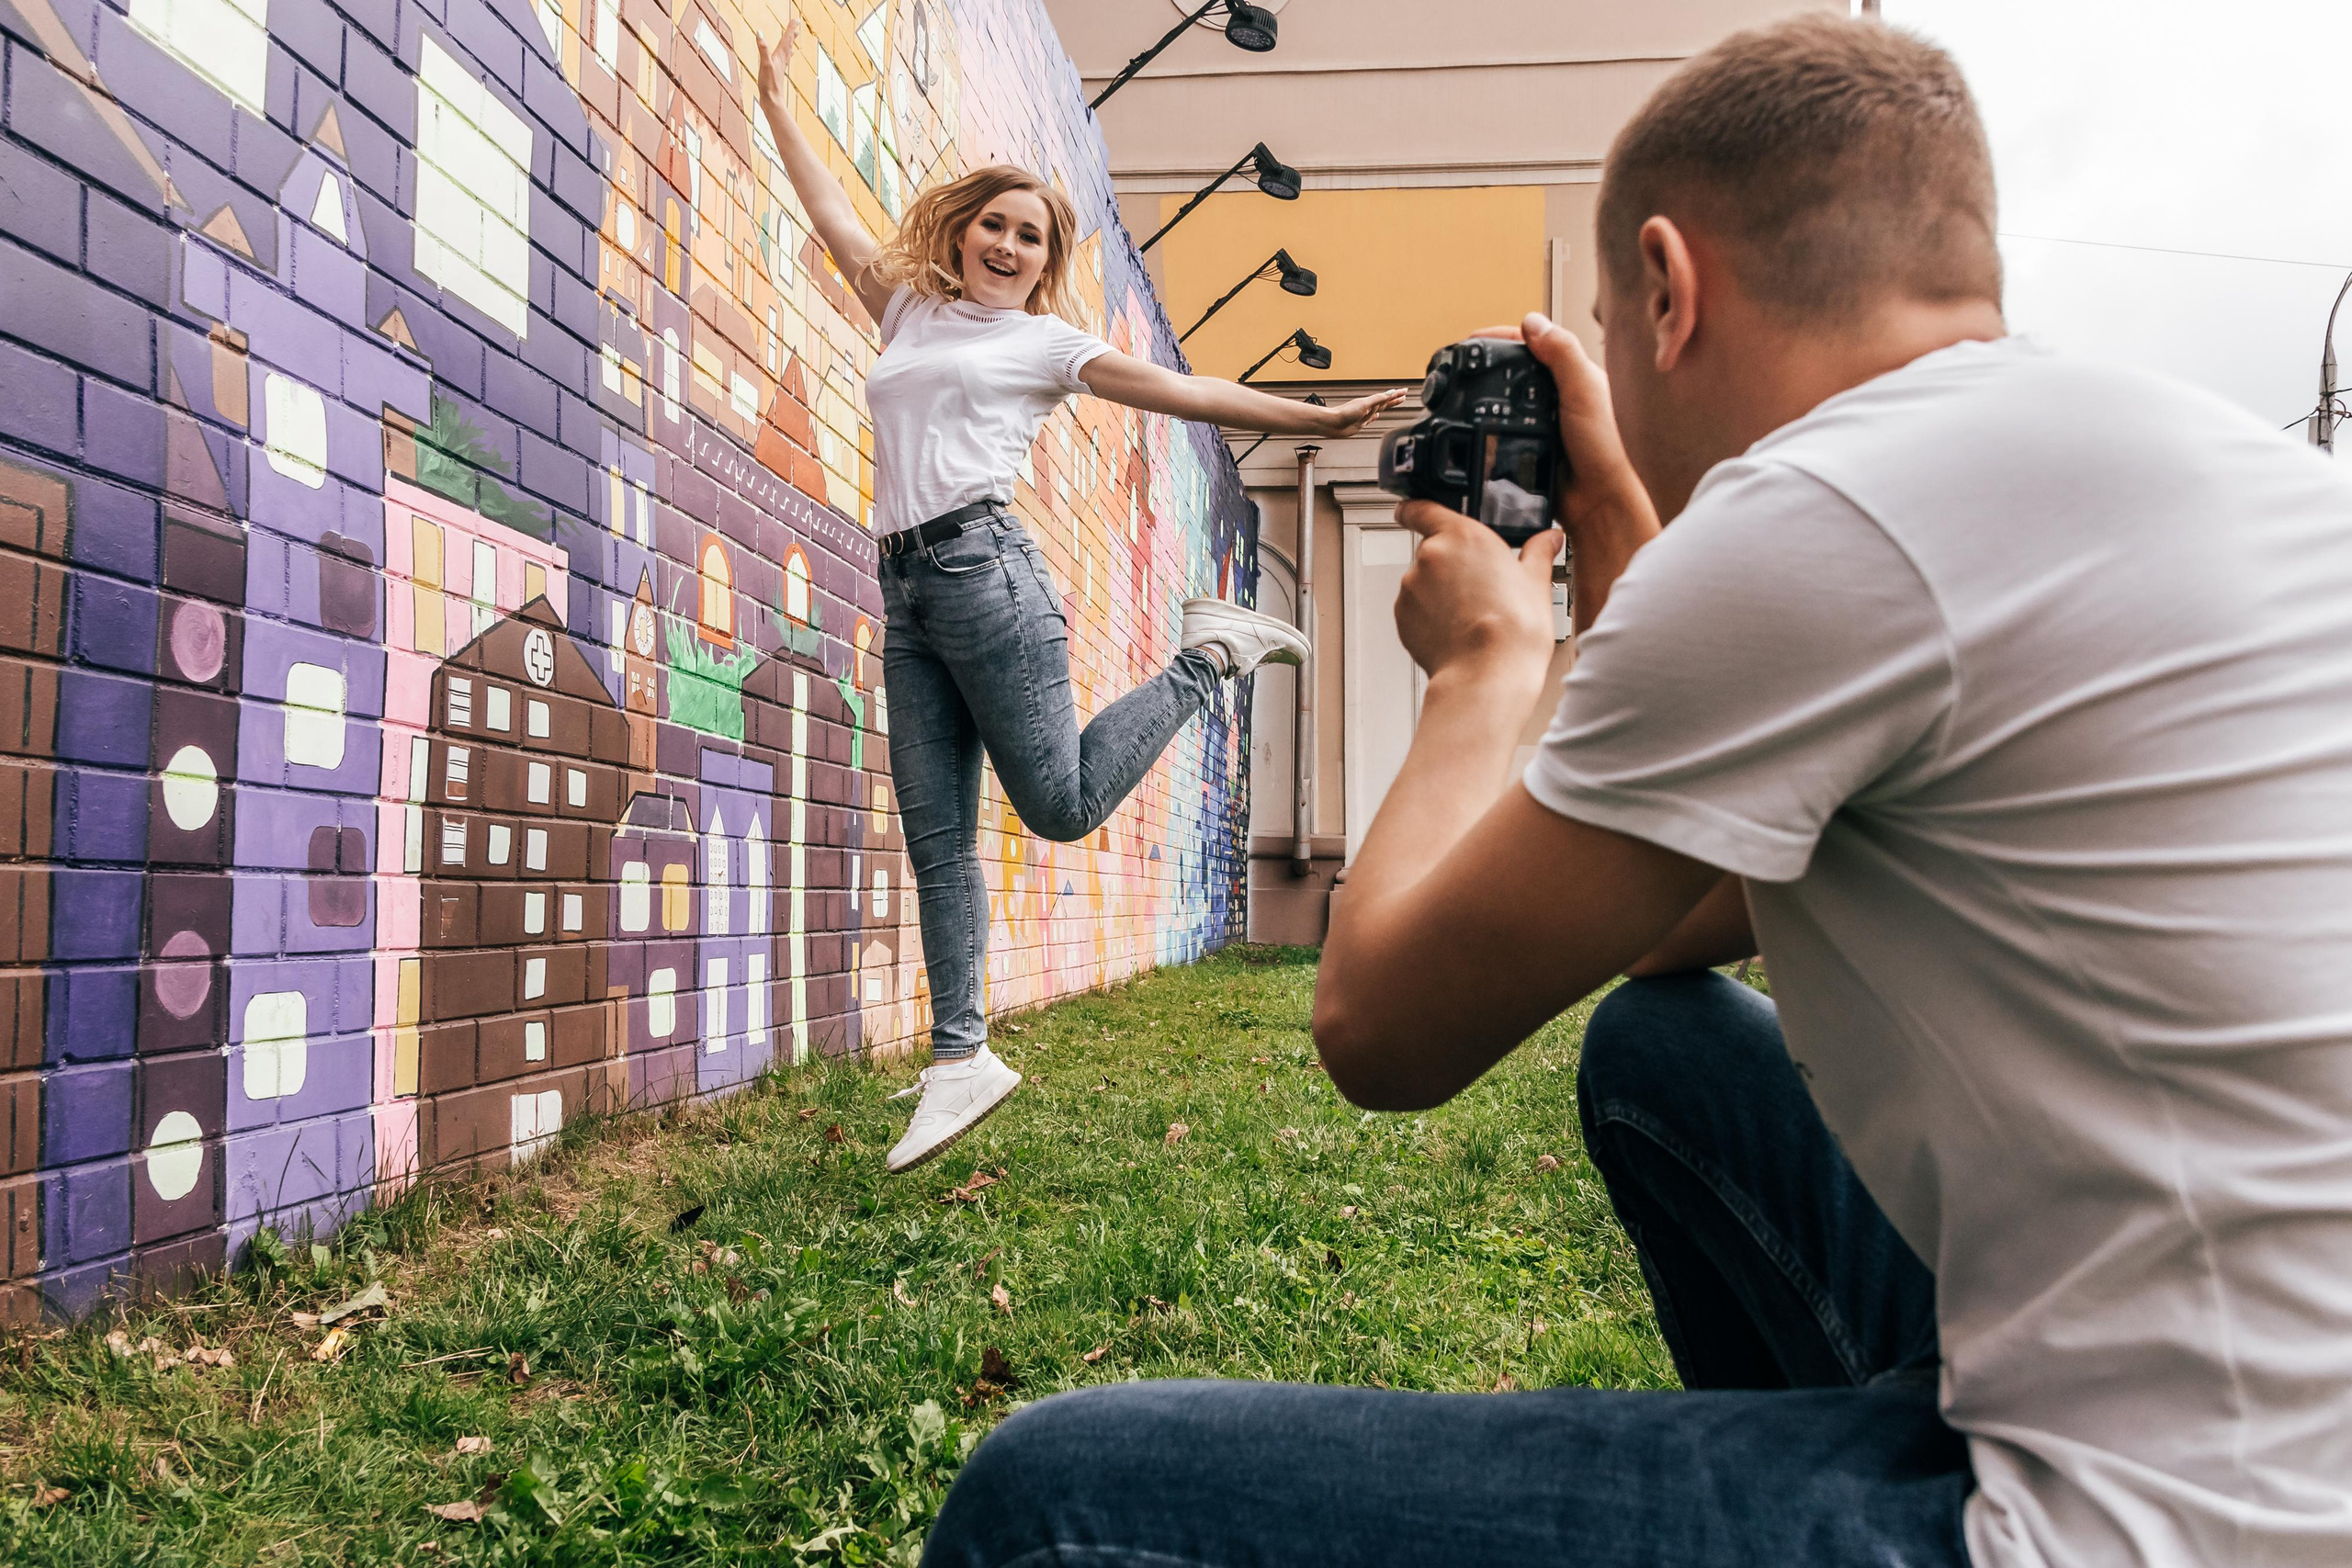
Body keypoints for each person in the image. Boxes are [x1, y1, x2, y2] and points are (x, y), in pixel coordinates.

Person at [920, 15, 2352, 1568]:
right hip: (2274, 1397)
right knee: (1662, 1047)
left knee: (1047, 1504)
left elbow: (1382, 1030)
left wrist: (1484, 668)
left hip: (2186, 1517)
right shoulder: (2192, 466)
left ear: (1668, 288)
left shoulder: (1821, 517)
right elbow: (1671, 926)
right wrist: (1637, 575)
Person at [753, 27, 1403, 1174]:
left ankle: (1208, 659)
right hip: (908, 585)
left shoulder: (1046, 343)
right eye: (994, 223)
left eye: (1031, 235)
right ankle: (962, 1059)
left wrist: (1320, 419)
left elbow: (1186, 389)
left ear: (1043, 261)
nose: (1008, 242)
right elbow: (831, 215)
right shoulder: (909, 311)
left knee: (1056, 806)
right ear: (961, 230)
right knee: (937, 835)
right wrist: (774, 97)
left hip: (987, 574)